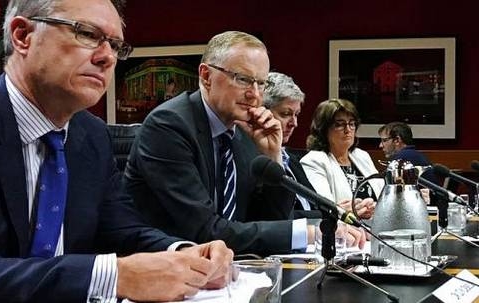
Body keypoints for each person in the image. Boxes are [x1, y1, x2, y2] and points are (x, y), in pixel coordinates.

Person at [0, 0, 233, 302]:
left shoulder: (91, 135)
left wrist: (186, 255)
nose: (107, 57)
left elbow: (122, 230)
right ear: (23, 36)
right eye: (88, 34)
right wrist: (113, 275)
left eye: (116, 46)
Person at [124, 31, 365, 256]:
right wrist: (307, 234)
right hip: (166, 271)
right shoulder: (169, 125)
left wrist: (273, 158)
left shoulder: (243, 132)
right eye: (243, 79)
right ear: (206, 76)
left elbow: (267, 220)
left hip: (231, 271)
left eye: (261, 83)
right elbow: (204, 231)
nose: (255, 94)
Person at [300, 99, 382, 219]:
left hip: (376, 227)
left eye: (352, 124)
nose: (348, 129)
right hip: (343, 231)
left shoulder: (361, 156)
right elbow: (326, 208)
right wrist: (353, 211)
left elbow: (382, 197)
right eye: (339, 124)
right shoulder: (314, 161)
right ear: (323, 129)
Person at [263, 72, 321, 219]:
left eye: (296, 114)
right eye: (285, 114)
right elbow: (280, 217)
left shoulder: (291, 159)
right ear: (262, 112)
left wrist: (338, 210)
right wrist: (328, 214)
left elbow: (315, 205)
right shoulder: (253, 159)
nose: (294, 123)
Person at [378, 121, 437, 202]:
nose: (380, 145)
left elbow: (390, 197)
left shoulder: (400, 162)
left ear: (397, 140)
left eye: (384, 140)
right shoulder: (416, 155)